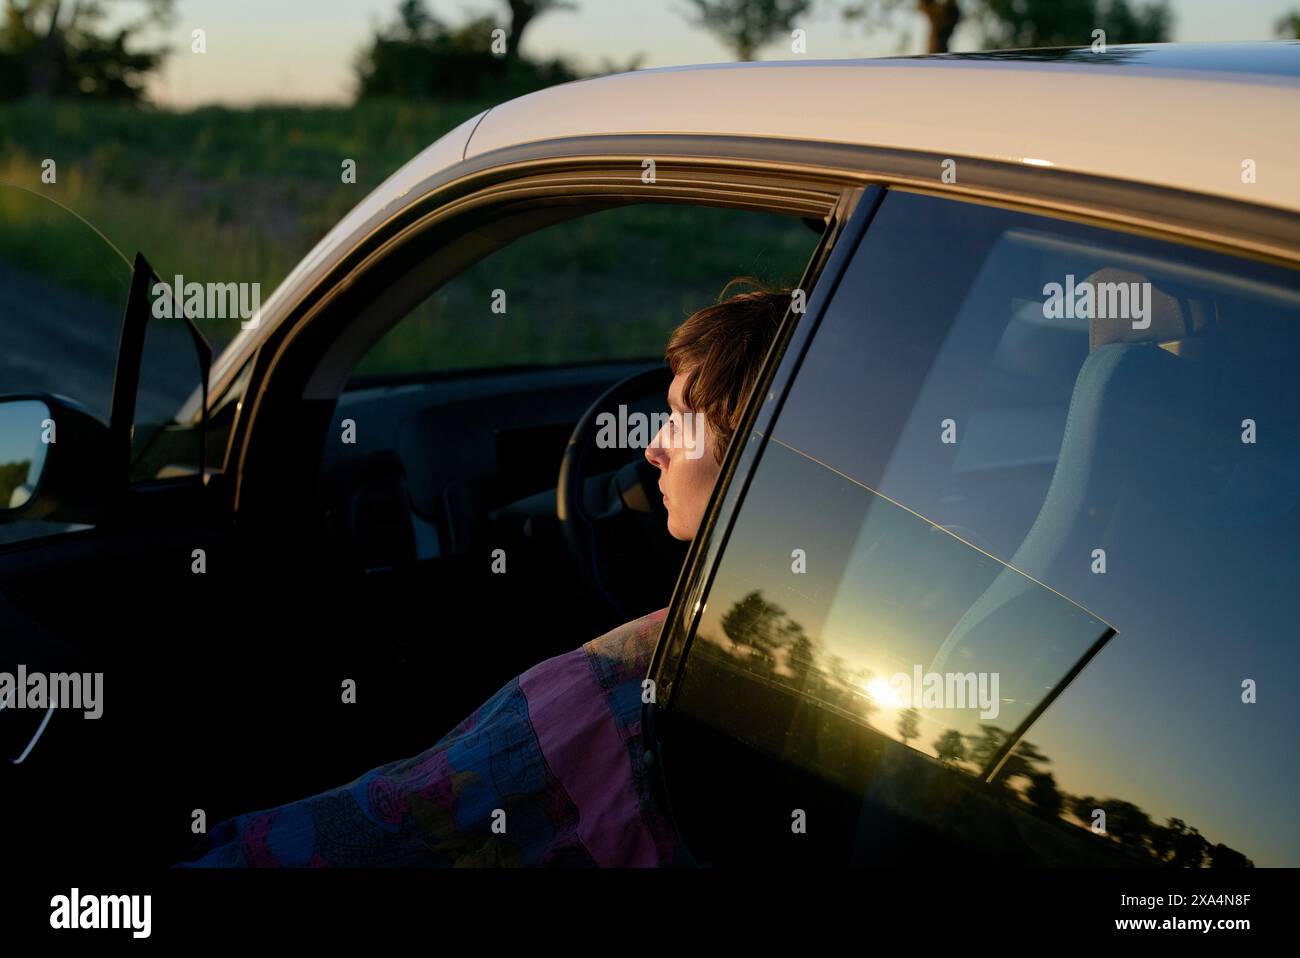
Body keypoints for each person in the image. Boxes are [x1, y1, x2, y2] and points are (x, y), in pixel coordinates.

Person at [177, 275, 794, 867]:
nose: (651, 447)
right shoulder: (791, 639)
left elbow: (393, 822)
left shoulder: (635, 680)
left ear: (749, 448)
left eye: (682, 418)